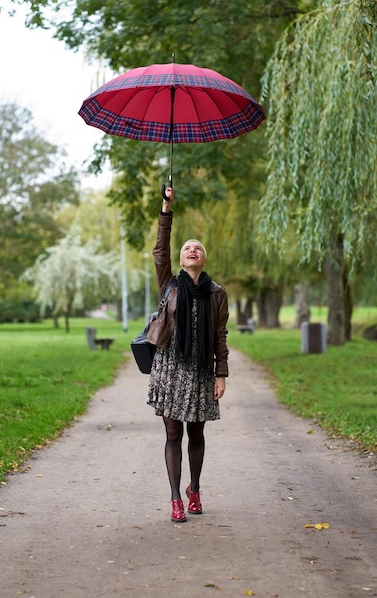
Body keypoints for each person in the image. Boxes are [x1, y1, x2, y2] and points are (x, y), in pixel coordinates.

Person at [147, 187, 229, 522]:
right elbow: (159, 250)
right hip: (170, 367)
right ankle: (174, 500)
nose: (192, 250)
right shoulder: (169, 284)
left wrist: (221, 373)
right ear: (181, 260)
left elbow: (220, 336)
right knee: (172, 434)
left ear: (204, 259)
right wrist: (166, 209)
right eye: (187, 248)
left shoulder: (216, 293)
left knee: (196, 432)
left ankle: (193, 490)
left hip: (199, 370)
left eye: (197, 247)